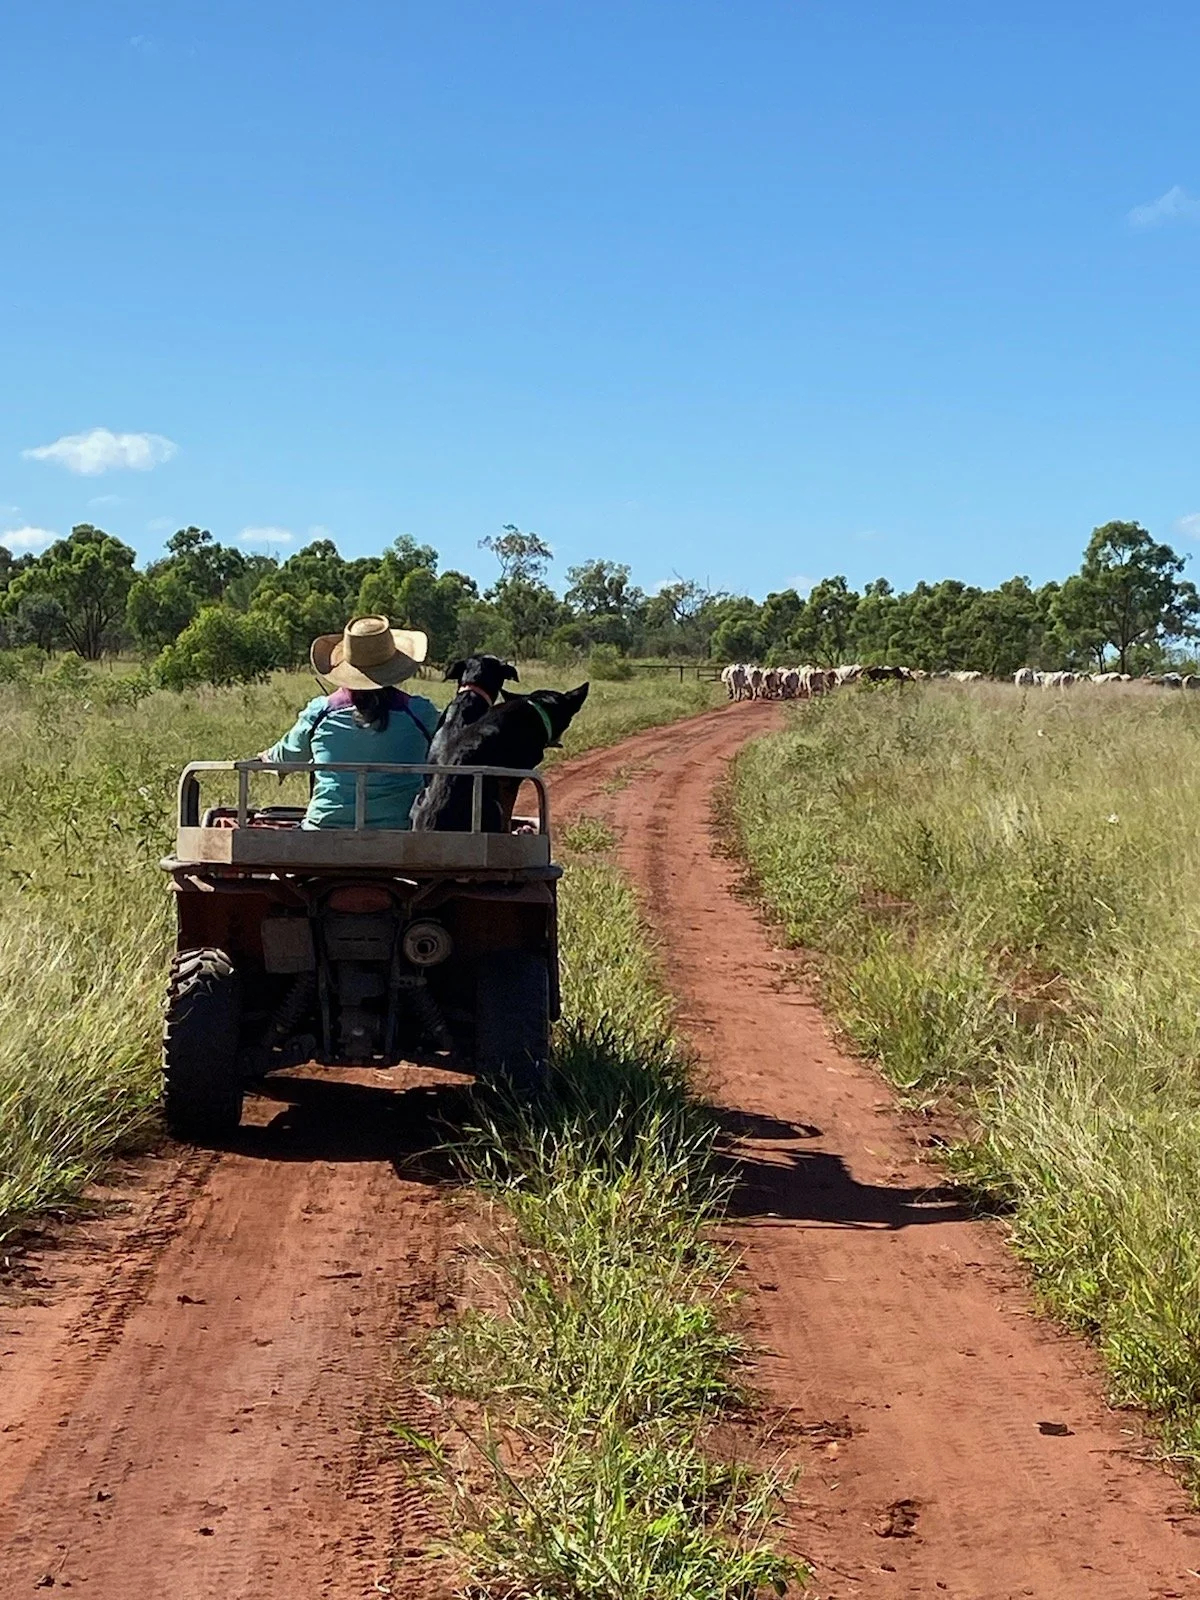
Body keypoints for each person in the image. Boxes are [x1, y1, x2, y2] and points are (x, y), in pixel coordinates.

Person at [257, 616, 439, 829]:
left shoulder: (320, 712)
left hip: (323, 830)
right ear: (395, 666)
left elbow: (286, 755)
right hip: (399, 830)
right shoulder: (420, 712)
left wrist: (266, 756)